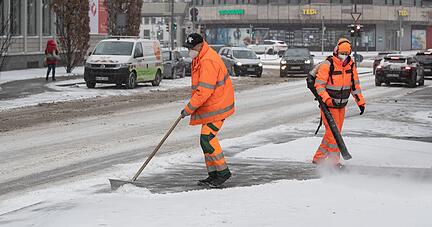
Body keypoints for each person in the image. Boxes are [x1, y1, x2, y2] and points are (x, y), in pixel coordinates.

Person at [181, 33, 235, 187]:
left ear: (199, 45)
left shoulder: (208, 61)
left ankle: (223, 172)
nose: (189, 51)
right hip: (213, 104)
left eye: (191, 48)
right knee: (205, 140)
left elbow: (204, 91)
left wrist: (188, 109)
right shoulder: (201, 57)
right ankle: (213, 174)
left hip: (218, 106)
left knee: (208, 139)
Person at [312, 38, 365, 168]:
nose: (344, 56)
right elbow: (319, 86)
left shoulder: (350, 65)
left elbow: (355, 86)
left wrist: (360, 102)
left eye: (347, 54)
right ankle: (334, 162)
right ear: (336, 51)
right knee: (333, 134)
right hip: (329, 106)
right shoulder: (327, 65)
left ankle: (318, 158)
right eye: (342, 53)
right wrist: (327, 99)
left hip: (342, 106)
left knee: (334, 133)